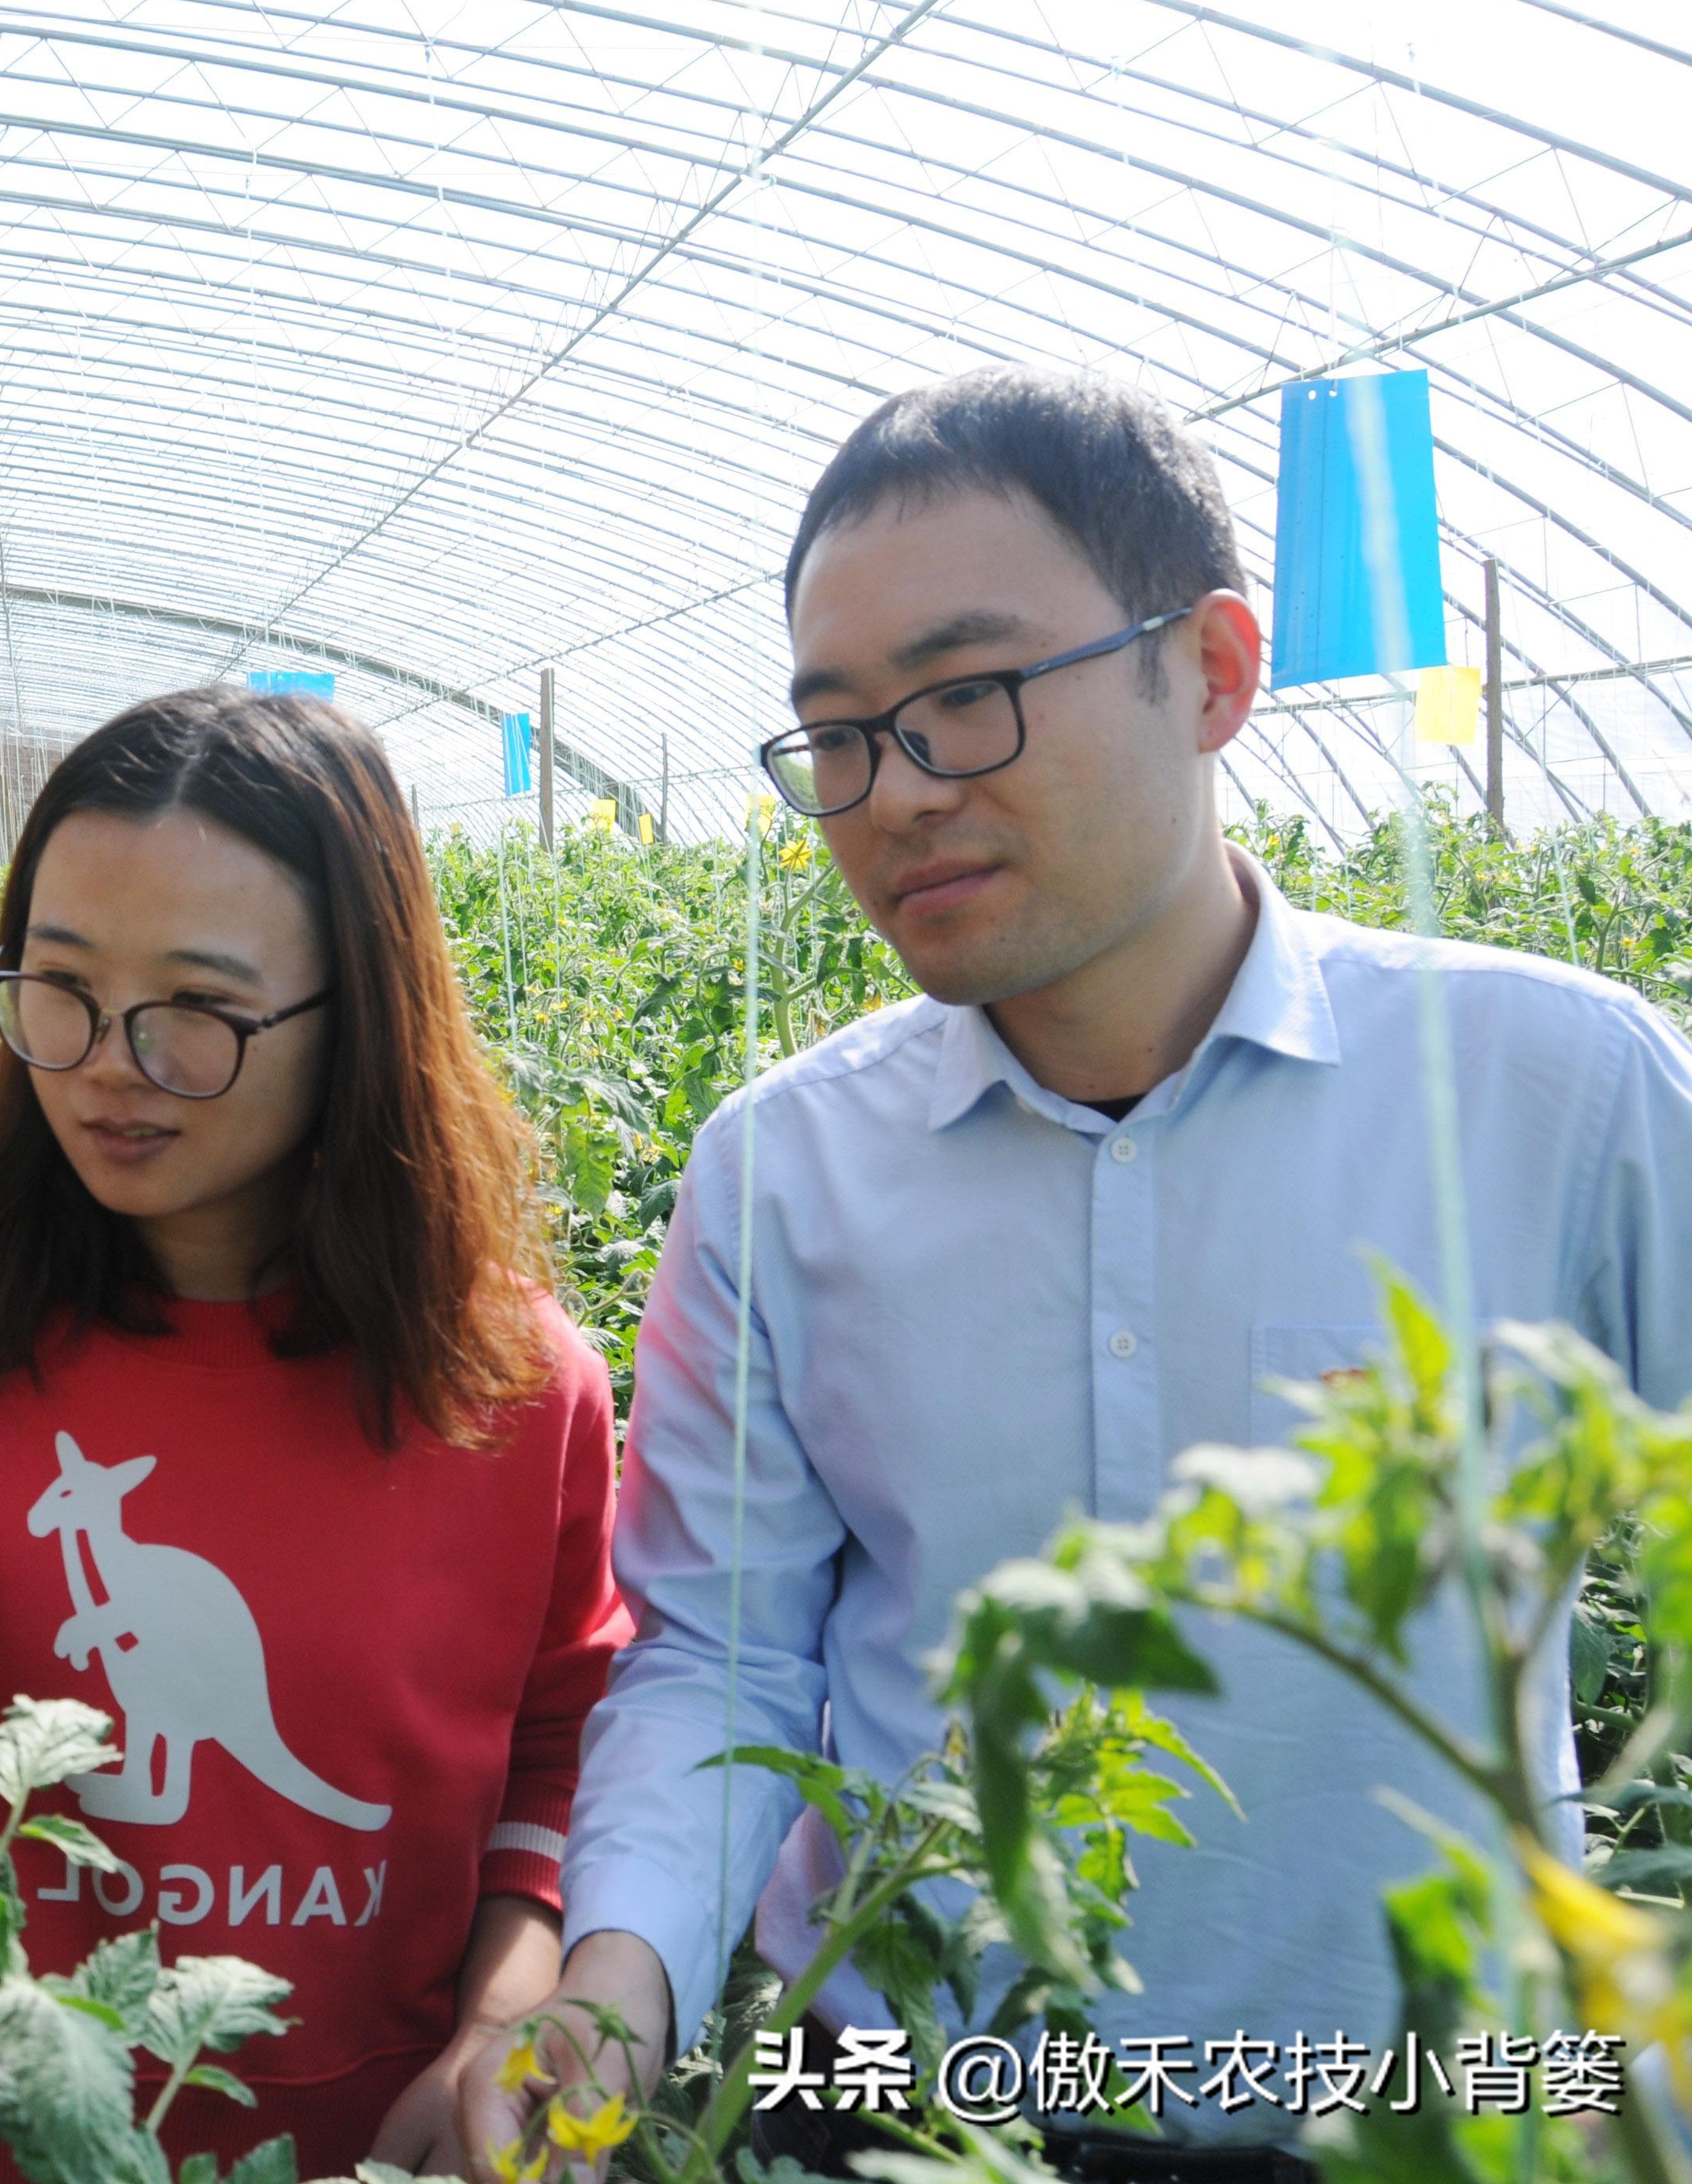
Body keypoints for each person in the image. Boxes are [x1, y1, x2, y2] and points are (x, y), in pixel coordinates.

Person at [461, 366, 1692, 2180]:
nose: (891, 792)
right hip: (892, 2115)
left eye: (963, 698)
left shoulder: (1557, 1090)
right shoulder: (781, 1167)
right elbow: (721, 1650)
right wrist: (618, 1976)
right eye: (841, 733)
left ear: (1206, 670)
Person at [0, 687, 631, 2176]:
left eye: (199, 1012)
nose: (104, 1061)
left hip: (383, 2150)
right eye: (59, 986)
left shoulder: (514, 1387)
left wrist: (498, 2027)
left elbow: (560, 1740)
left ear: (362, 1009)